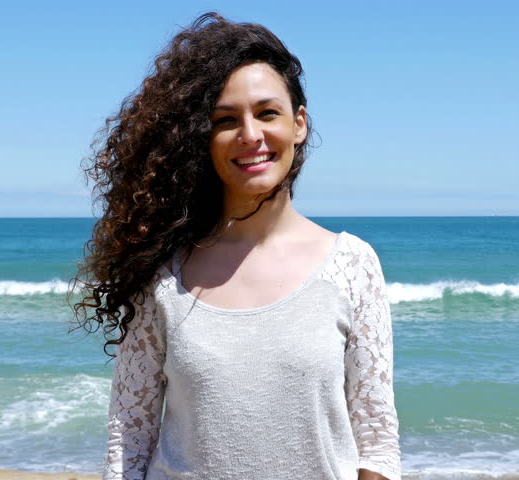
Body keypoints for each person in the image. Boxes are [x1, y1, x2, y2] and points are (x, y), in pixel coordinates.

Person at [71, 12, 400, 480]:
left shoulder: (353, 264)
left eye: (267, 113)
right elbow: (129, 442)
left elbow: (378, 445)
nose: (250, 135)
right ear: (203, 139)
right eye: (226, 120)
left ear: (299, 123)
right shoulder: (163, 272)